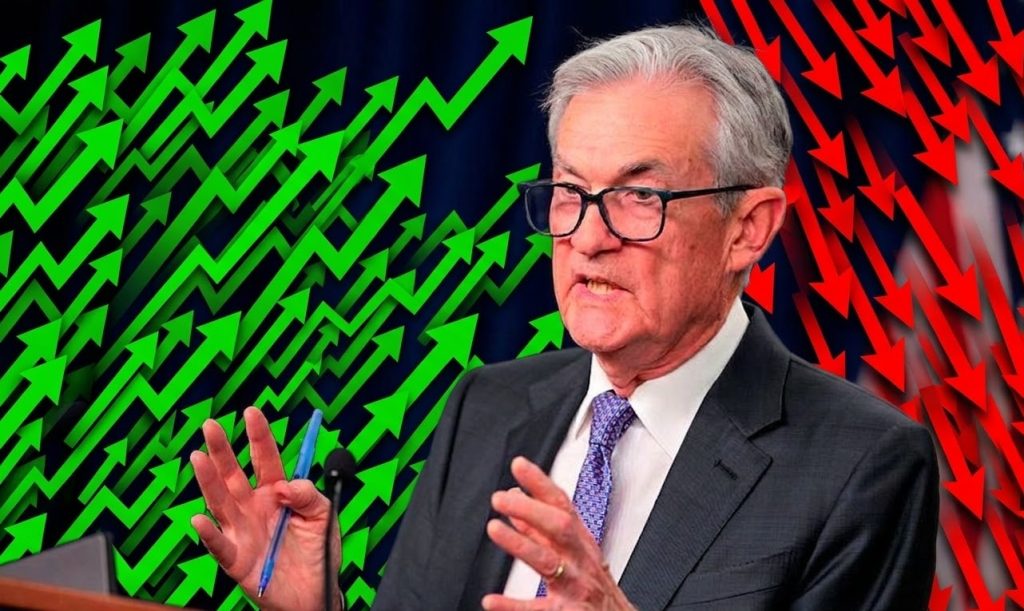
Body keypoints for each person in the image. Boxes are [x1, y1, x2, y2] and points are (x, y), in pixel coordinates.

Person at [191, 24, 939, 611]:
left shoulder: (861, 464)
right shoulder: (485, 405)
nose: (587, 236)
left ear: (748, 228)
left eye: (639, 196)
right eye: (571, 192)